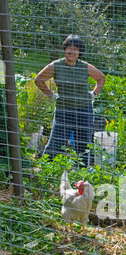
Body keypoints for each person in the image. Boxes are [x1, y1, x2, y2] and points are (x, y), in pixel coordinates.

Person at [34, 34, 106, 166]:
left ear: (79, 52)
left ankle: (83, 173)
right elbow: (39, 80)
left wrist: (93, 94)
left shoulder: (85, 66)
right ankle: (45, 170)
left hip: (84, 110)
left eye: (75, 49)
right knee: (56, 143)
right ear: (64, 49)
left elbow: (101, 78)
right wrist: (51, 95)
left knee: (83, 145)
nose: (71, 51)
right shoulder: (56, 66)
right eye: (69, 48)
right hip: (63, 110)